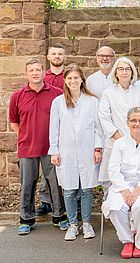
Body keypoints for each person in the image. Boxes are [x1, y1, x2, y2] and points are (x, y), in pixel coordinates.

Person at [10, 58, 67, 235]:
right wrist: (27, 137)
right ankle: (26, 219)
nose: (35, 73)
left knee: (54, 183)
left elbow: (63, 119)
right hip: (27, 148)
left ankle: (59, 216)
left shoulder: (57, 93)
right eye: (31, 70)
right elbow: (14, 123)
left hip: (52, 147)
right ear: (26, 74)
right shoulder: (17, 96)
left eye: (38, 70)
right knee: (27, 184)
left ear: (44, 72)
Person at [102, 107, 140, 259]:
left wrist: (138, 190)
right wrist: (124, 190)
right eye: (133, 120)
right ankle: (128, 239)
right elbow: (113, 170)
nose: (137, 124)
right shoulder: (120, 143)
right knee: (115, 207)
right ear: (127, 123)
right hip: (123, 184)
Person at [49, 64, 102, 241]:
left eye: (76, 78)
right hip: (66, 152)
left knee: (87, 188)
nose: (73, 81)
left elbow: (97, 128)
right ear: (65, 81)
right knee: (69, 190)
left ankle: (86, 223)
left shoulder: (92, 101)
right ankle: (72, 224)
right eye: (70, 78)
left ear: (82, 80)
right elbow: (53, 129)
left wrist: (97, 148)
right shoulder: (58, 102)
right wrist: (54, 151)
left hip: (88, 151)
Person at [98, 57, 140, 184]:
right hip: (114, 141)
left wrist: (135, 139)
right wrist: (120, 138)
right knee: (112, 179)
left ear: (132, 72)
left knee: (134, 177)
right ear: (116, 72)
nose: (124, 72)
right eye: (121, 69)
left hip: (137, 141)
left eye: (127, 69)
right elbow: (104, 116)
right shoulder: (108, 93)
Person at [35, 43, 66, 217]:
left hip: (63, 129)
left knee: (60, 167)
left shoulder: (68, 77)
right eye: (54, 53)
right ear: (48, 57)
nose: (57, 56)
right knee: (46, 169)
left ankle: (62, 203)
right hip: (43, 129)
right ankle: (46, 201)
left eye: (60, 54)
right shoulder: (42, 77)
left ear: (64, 57)